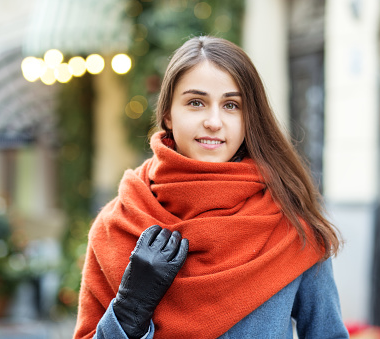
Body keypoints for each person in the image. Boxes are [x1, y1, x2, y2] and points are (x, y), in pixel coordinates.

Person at [73, 35, 349, 339]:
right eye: (196, 103)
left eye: (231, 105)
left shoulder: (290, 219)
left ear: (249, 118)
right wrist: (129, 311)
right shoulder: (117, 224)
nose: (214, 121)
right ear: (167, 113)